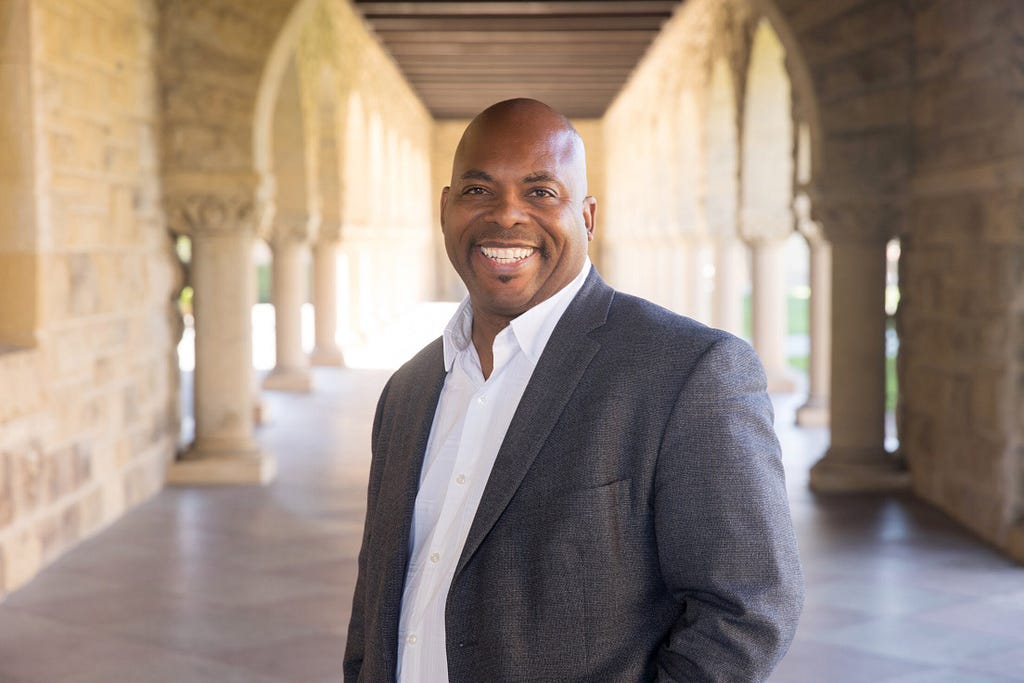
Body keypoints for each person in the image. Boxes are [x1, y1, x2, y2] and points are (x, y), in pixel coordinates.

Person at [344, 98, 803, 682]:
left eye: (540, 192)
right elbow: (375, 601)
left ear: (586, 217)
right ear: (445, 208)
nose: (507, 215)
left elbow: (748, 611)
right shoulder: (407, 392)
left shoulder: (688, 372)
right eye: (479, 191)